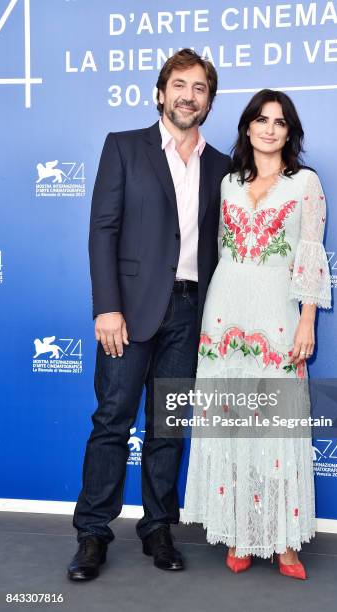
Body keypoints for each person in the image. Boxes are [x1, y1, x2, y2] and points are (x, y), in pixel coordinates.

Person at [67, 48, 231, 581]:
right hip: (130, 311)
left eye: (200, 87)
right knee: (112, 420)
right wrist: (107, 307)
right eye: (179, 85)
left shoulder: (222, 166)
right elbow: (102, 232)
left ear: (209, 100)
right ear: (161, 93)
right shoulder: (124, 148)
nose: (189, 95)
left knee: (168, 427)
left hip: (190, 312)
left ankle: (158, 527)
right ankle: (93, 534)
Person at [181, 89, 332, 579]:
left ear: (290, 132)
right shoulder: (226, 183)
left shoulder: (305, 184)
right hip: (224, 315)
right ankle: (241, 532)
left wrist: (307, 319)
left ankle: (284, 543)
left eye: (280, 122)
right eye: (261, 119)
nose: (270, 128)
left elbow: (309, 256)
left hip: (277, 314)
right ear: (247, 127)